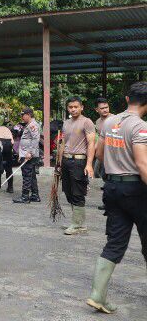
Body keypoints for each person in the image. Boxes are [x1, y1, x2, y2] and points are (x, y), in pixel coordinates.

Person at [86, 82, 147, 314]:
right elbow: (142, 164)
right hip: (136, 191)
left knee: (115, 242)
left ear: (126, 99)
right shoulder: (141, 127)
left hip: (111, 189)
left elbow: (100, 154)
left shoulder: (110, 121)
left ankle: (97, 295)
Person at [59, 96, 96, 235]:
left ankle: (78, 225)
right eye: (70, 107)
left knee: (78, 192)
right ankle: (78, 221)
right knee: (68, 192)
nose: (73, 109)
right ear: (68, 108)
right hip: (66, 160)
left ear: (81, 107)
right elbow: (63, 143)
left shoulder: (87, 122)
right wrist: (59, 162)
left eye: (76, 106)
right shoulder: (66, 123)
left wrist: (89, 164)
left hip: (79, 161)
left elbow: (91, 144)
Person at [13, 108, 41, 203]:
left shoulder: (33, 125)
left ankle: (25, 197)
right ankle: (34, 195)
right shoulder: (29, 125)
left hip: (29, 155)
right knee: (32, 175)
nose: (22, 117)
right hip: (28, 154)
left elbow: (35, 139)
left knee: (27, 175)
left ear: (29, 114)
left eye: (23, 115)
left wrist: (30, 152)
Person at [94, 97, 114, 210]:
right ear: (97, 110)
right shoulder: (98, 122)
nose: (105, 110)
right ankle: (108, 202)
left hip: (114, 155)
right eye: (102, 108)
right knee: (101, 175)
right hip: (103, 154)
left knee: (111, 179)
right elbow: (99, 140)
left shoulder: (115, 119)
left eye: (106, 107)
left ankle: (110, 203)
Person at [0, 123, 15, 193]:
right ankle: (10, 187)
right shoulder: (6, 129)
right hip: (8, 143)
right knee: (9, 168)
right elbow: (12, 141)